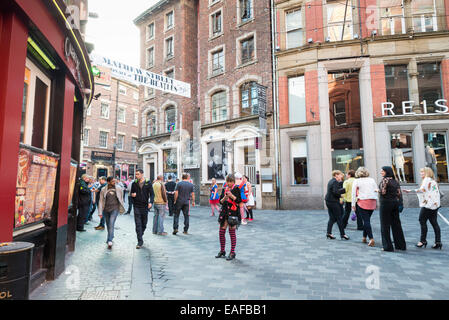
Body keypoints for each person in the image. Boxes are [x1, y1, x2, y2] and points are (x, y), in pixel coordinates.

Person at [404, 167, 442, 249]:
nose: (421, 174)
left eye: (422, 172)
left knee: (422, 220)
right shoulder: (433, 181)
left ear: (427, 173)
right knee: (434, 223)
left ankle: (422, 241)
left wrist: (410, 191)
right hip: (435, 204)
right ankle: (438, 242)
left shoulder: (426, 180)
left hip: (428, 204)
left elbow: (422, 190)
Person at [378, 166, 406, 252]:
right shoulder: (395, 180)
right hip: (395, 203)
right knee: (396, 224)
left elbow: (383, 192)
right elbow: (399, 193)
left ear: (387, 172)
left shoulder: (385, 180)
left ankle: (387, 246)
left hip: (385, 204)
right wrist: (400, 203)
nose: (381, 172)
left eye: (382, 171)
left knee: (385, 225)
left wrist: (377, 190)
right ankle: (400, 245)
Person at [216, 174, 242, 261]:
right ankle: (222, 251)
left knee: (232, 233)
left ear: (233, 181)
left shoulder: (236, 189)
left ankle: (232, 252)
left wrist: (231, 196)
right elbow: (220, 201)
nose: (229, 183)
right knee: (221, 232)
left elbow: (239, 201)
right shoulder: (224, 189)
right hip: (224, 213)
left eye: (231, 181)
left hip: (233, 213)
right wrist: (225, 197)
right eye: (228, 181)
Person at [351, 167, 378, 247]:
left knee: (366, 221)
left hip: (362, 201)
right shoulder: (372, 180)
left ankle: (371, 238)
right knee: (367, 220)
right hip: (372, 201)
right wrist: (375, 199)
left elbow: (353, 193)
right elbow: (376, 190)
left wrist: (353, 205)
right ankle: (364, 237)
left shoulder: (357, 181)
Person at [98, 177, 126, 249]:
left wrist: (121, 207)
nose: (114, 182)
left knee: (111, 223)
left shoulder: (119, 188)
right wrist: (100, 212)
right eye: (113, 181)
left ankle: (109, 240)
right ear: (108, 182)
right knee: (108, 224)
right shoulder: (103, 189)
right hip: (106, 209)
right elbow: (101, 201)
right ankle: (111, 235)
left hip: (115, 208)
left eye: (115, 181)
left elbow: (121, 198)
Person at [131, 169, 154, 249]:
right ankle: (140, 241)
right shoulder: (134, 183)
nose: (136, 176)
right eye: (135, 174)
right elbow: (132, 193)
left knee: (144, 223)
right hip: (136, 206)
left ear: (142, 174)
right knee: (138, 224)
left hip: (145, 206)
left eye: (137, 174)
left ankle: (140, 234)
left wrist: (151, 202)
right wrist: (132, 195)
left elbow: (152, 194)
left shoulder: (148, 183)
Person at [325, 170, 350, 240]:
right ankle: (343, 234)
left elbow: (334, 191)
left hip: (328, 201)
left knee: (332, 218)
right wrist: (341, 194)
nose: (342, 176)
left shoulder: (331, 181)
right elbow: (335, 192)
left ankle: (329, 233)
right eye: (340, 175)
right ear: (336, 175)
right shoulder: (335, 182)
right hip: (333, 202)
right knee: (339, 217)